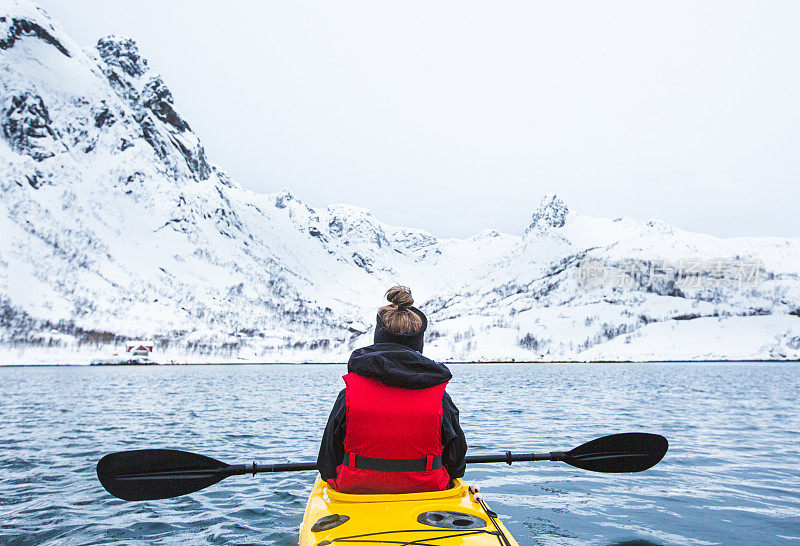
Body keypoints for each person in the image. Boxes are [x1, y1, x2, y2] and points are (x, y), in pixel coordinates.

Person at [316, 285, 468, 494]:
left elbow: (327, 464)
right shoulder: (440, 397)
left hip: (354, 493)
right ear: (418, 342)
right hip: (428, 492)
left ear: (378, 338)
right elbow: (457, 464)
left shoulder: (349, 394)